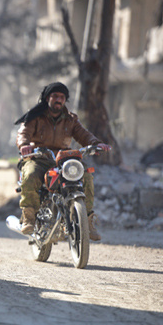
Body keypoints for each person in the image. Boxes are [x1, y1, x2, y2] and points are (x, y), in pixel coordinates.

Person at [15, 82, 111, 240]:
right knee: (31, 175)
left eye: (61, 97)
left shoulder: (71, 119)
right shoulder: (35, 116)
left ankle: (87, 221)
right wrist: (25, 145)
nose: (58, 100)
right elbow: (23, 132)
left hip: (63, 159)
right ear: (47, 98)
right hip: (39, 157)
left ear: (65, 100)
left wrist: (95, 143)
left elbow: (83, 134)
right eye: (55, 96)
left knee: (85, 175)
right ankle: (29, 218)